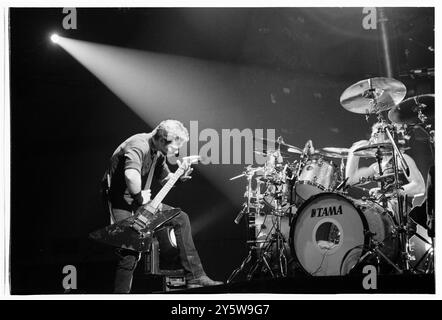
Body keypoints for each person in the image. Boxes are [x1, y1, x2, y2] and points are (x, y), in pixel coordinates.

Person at [102, 119, 223, 293]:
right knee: (130, 250)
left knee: (180, 218)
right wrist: (139, 195)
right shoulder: (139, 145)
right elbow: (130, 175)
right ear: (161, 140)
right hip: (120, 201)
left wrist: (178, 178)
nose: (177, 150)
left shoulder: (157, 153)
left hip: (138, 200)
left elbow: (165, 178)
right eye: (175, 146)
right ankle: (121, 296)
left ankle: (195, 276)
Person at [345, 121, 426, 215]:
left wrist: (389, 192)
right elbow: (350, 181)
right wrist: (353, 154)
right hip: (383, 210)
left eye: (375, 135)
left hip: (400, 213)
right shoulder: (376, 166)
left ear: (386, 136)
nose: (371, 140)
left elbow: (420, 187)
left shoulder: (401, 159)